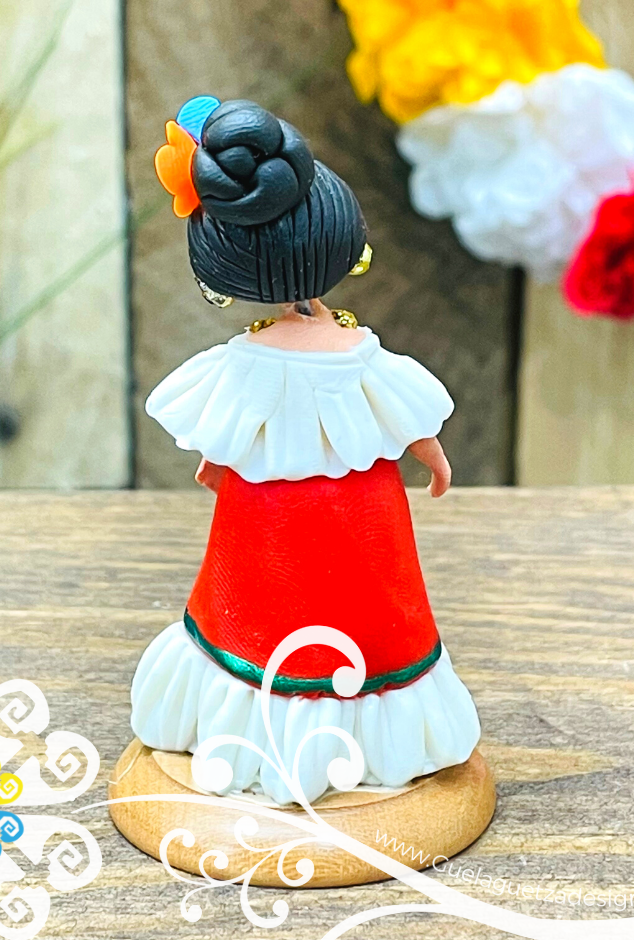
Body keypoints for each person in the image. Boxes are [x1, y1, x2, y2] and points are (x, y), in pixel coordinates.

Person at [132, 96, 481, 805]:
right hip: (358, 517)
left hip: (264, 520)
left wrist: (214, 464)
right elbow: (405, 418)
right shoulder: (360, 354)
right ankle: (362, 728)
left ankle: (271, 726)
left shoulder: (245, 359)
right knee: (356, 614)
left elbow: (229, 432)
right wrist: (434, 460)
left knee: (267, 616)